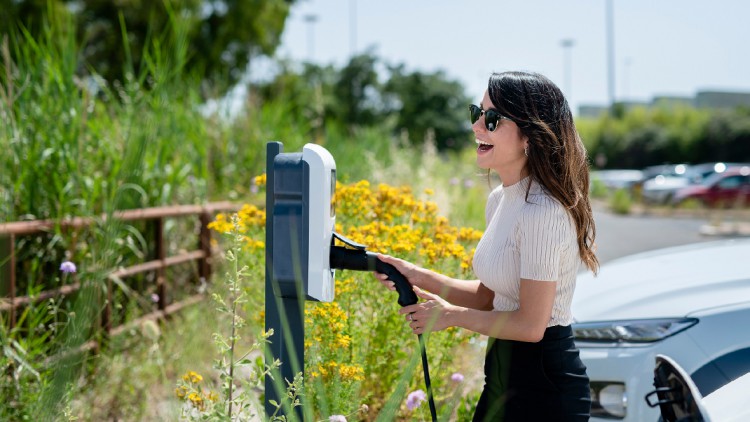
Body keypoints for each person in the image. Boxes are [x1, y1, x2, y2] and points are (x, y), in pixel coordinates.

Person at [375, 71, 599, 421]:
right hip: (502, 371)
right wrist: (414, 275)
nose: (478, 127)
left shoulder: (543, 212)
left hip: (545, 386)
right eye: (476, 113)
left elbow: (530, 326)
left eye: (492, 119)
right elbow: (488, 297)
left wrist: (450, 316)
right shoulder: (499, 199)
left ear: (530, 135)